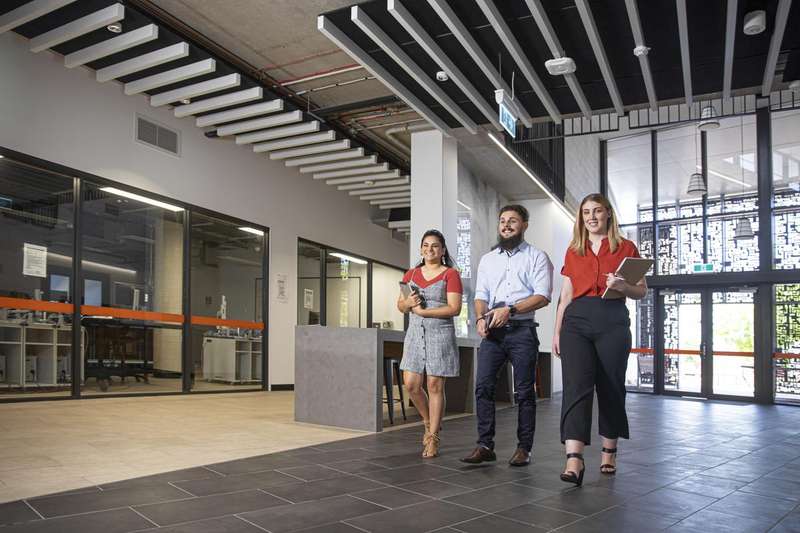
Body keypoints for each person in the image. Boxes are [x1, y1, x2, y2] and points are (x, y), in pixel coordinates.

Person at [553, 193, 648, 486]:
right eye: (586, 212)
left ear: (608, 213)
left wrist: (622, 285)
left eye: (596, 211)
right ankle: (574, 459)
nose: (591, 217)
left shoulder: (626, 247)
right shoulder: (574, 250)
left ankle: (609, 452)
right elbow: (566, 295)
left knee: (610, 387)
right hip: (576, 322)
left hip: (612, 319)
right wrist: (556, 331)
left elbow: (641, 290)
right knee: (575, 387)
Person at [462, 205, 553, 467]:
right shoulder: (488, 259)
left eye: (513, 220)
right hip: (493, 332)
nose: (506, 225)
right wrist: (480, 318)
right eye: (502, 220)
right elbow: (481, 296)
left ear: (525, 225)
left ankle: (524, 448)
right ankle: (485, 445)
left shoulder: (537, 257)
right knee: (483, 387)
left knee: (524, 392)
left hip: (523, 331)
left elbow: (543, 296)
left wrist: (510, 310)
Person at [397, 229, 463, 458]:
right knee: (411, 385)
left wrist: (424, 312)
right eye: (425, 245)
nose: (430, 249)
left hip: (440, 333)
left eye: (435, 245)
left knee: (435, 385)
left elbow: (455, 308)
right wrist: (408, 303)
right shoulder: (411, 274)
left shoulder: (451, 274)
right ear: (420, 249)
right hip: (415, 334)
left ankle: (433, 437)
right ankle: (428, 421)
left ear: (442, 250)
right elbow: (400, 306)